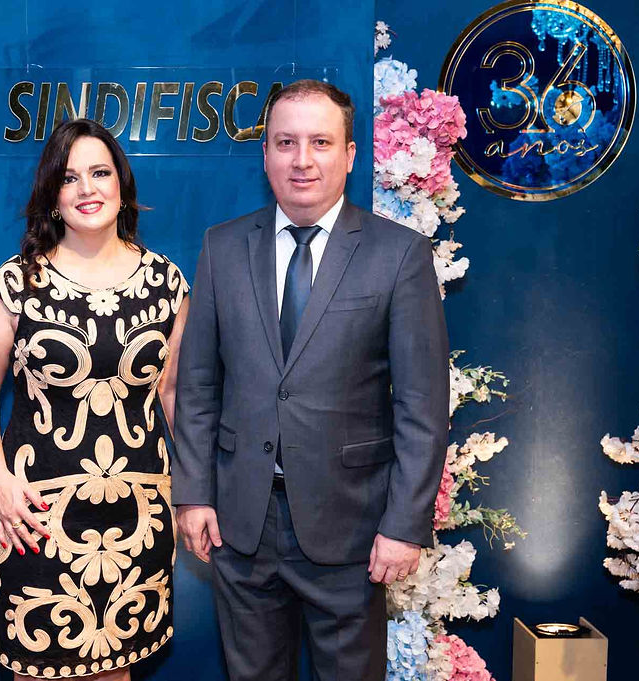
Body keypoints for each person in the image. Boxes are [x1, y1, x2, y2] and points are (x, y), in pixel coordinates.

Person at [172, 79, 449, 681]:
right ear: (265, 154)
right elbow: (197, 386)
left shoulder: (399, 254)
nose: (302, 159)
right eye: (285, 142)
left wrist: (404, 526)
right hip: (241, 526)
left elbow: (422, 407)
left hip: (352, 529)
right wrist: (193, 493)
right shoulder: (222, 247)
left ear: (350, 155)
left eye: (320, 142)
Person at [0, 118, 189, 681]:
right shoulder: (15, 284)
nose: (87, 189)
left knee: (115, 671)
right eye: (69, 178)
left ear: (122, 185)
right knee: (39, 670)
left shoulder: (167, 284)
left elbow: (174, 392)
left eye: (100, 173)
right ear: (52, 195)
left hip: (139, 516)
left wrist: (194, 491)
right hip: (32, 514)